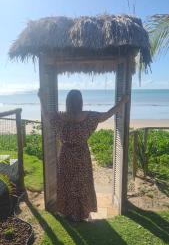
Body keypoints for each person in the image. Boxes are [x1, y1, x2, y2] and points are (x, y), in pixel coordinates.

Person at [39, 89, 129, 222]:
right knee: (82, 183)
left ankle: (68, 212)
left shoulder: (59, 117)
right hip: (82, 155)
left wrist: (41, 98)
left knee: (66, 183)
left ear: (67, 102)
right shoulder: (89, 116)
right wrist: (122, 102)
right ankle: (82, 212)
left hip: (65, 154)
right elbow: (107, 114)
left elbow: (46, 115)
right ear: (80, 101)